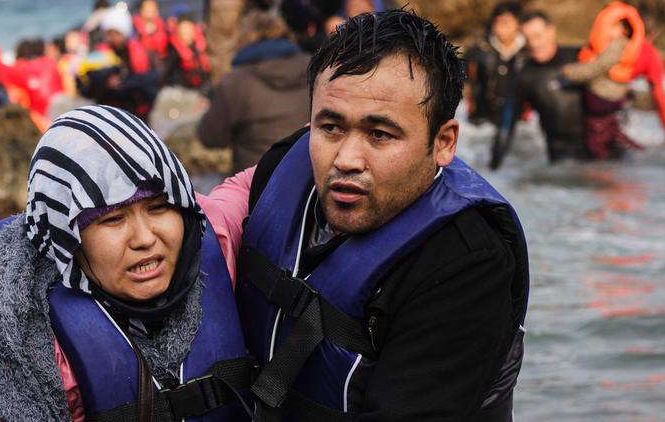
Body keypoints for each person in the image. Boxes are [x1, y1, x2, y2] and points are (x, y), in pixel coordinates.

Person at [205, 10, 530, 420]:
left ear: (443, 142)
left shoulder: (468, 263)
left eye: (380, 134)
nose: (346, 159)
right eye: (331, 127)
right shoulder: (282, 165)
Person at [0, 105, 256, 421]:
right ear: (68, 240)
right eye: (113, 220)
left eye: (158, 208)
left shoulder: (214, 232)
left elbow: (288, 164)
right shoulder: (18, 342)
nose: (144, 238)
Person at [198, 12, 310, 172]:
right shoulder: (312, 67)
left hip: (256, 180)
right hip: (306, 176)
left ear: (243, 39)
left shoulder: (236, 81)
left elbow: (210, 136)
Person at [490, 11, 587, 168]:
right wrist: (493, 170)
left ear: (551, 31)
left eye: (538, 36)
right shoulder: (525, 74)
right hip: (560, 159)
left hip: (600, 151)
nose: (533, 44)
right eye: (528, 39)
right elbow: (506, 124)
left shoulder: (579, 56)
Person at [563, 2, 647, 160]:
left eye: (614, 27)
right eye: (609, 26)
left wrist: (571, 72)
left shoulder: (616, 47)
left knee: (597, 144)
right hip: (606, 104)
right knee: (610, 134)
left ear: (625, 29)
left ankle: (602, 172)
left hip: (602, 101)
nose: (609, 31)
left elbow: (596, 68)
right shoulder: (612, 46)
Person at [77, 7, 159, 121]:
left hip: (138, 109)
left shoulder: (140, 51)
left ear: (125, 32)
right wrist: (105, 81)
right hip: (112, 111)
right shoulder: (102, 54)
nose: (112, 38)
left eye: (116, 33)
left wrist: (127, 81)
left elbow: (152, 78)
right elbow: (88, 84)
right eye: (109, 34)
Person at [465, 2, 528, 129]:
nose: (499, 27)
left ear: (518, 24)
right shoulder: (478, 51)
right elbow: (465, 82)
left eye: (505, 22)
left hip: (521, 123)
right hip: (480, 123)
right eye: (496, 22)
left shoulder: (529, 53)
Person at [161, 16, 210, 89]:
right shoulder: (172, 51)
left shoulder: (201, 47)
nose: (186, 31)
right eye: (183, 28)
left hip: (202, 86)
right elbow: (170, 75)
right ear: (178, 31)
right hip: (182, 90)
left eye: (189, 28)